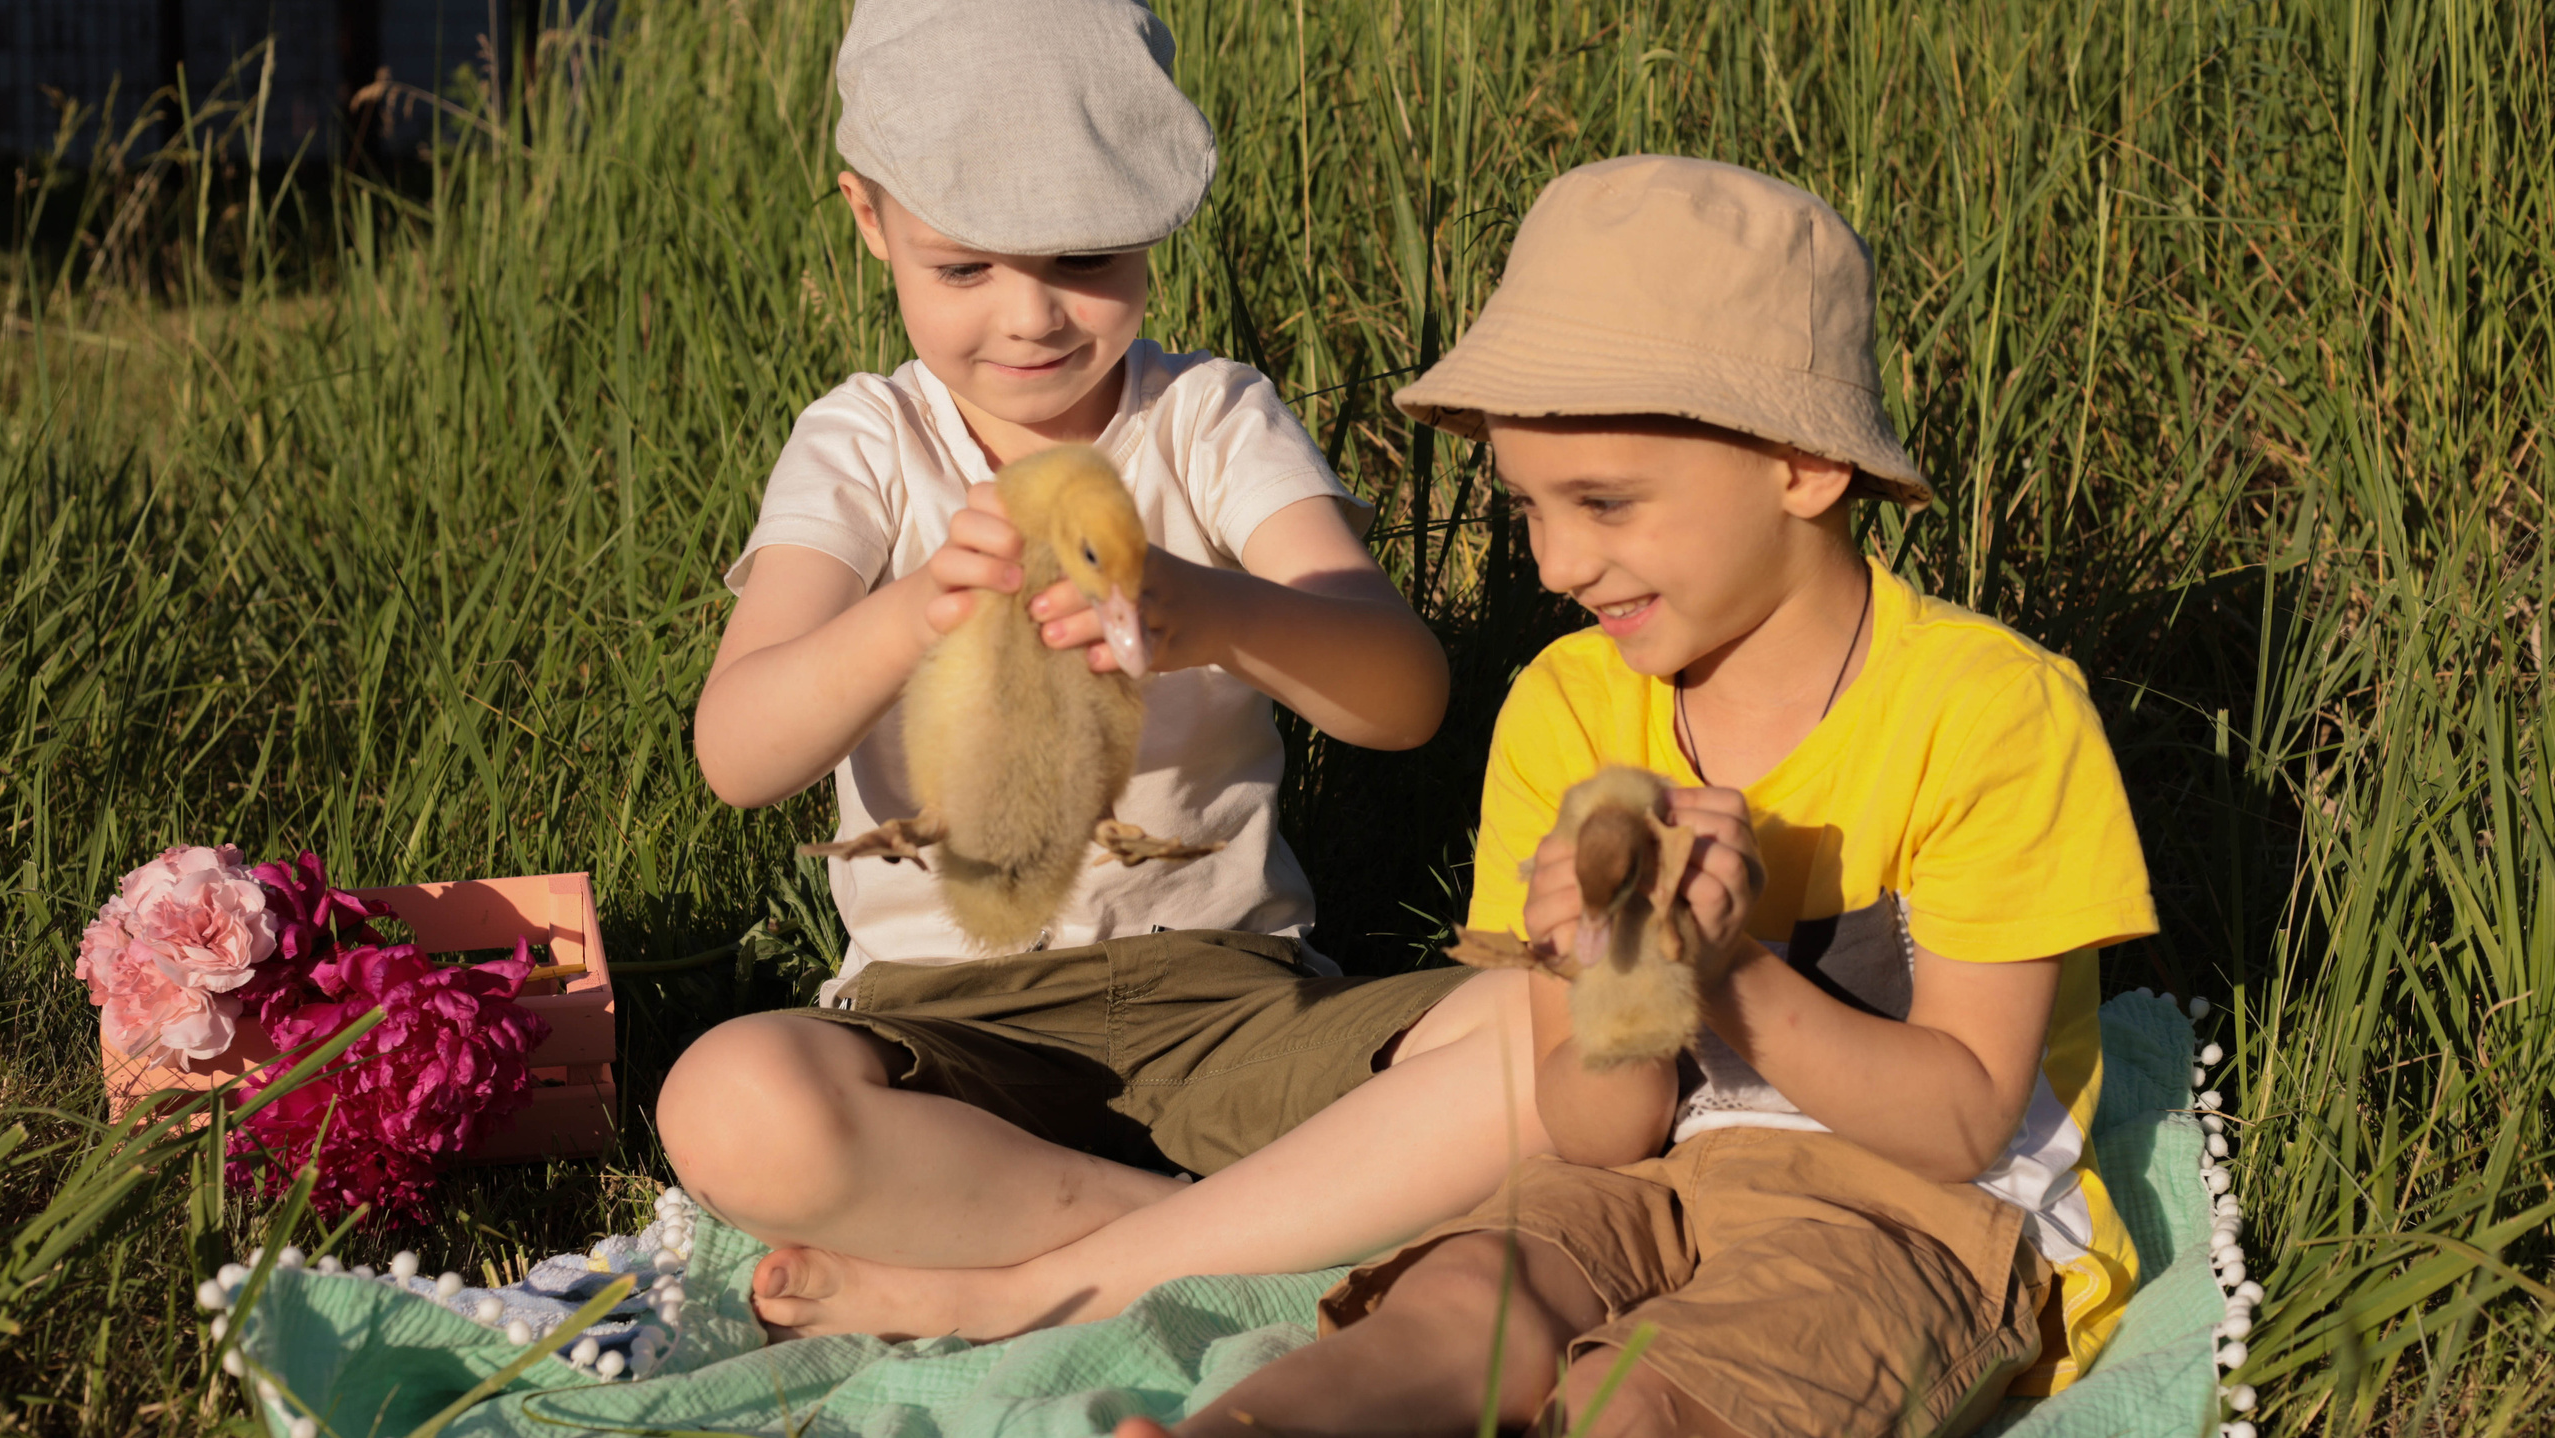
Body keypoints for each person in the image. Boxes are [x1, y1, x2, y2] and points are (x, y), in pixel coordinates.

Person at [1117, 154, 2159, 1437]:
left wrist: (1722, 973)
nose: (1556, 562)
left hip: (1913, 1209)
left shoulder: (1990, 710)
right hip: (1650, 1169)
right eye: (1528, 508)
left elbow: (1956, 1120)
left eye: (1604, 502)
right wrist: (1614, 976)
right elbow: (1600, 1133)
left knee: (1652, 1395)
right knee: (1461, 1296)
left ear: (1802, 466)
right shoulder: (1571, 703)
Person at [657, 0, 1547, 1341]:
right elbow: (738, 751)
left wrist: (1211, 613)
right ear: (869, 217)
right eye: (964, 270)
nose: (1030, 319)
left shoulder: (1211, 418)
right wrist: (908, 616)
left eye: (1083, 256)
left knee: (1573, 1037)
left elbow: (1400, 694)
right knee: (728, 1102)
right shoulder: (865, 442)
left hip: (1228, 998)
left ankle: (1024, 1278)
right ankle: (1267, 1230)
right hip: (951, 1036)